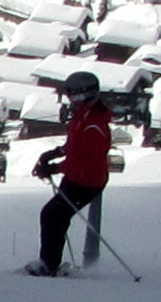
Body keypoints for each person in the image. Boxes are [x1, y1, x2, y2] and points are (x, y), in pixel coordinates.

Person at [30, 71, 116, 276]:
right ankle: (50, 263)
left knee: (52, 215)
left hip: (87, 181)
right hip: (77, 177)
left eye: (72, 96)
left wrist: (54, 168)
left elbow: (83, 161)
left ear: (83, 94)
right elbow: (75, 146)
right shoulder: (82, 117)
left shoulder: (94, 125)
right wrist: (56, 153)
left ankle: (48, 266)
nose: (70, 101)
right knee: (55, 216)